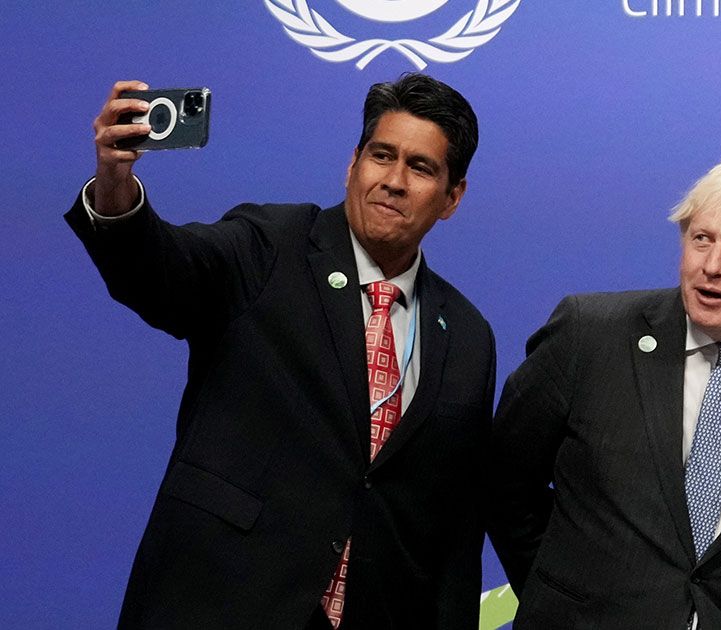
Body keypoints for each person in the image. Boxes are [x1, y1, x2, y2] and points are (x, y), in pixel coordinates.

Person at [65, 74, 495, 629]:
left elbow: (455, 532)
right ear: (352, 164)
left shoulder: (466, 336)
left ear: (452, 197)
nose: (392, 181)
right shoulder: (270, 245)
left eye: (420, 167)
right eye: (380, 155)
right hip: (221, 604)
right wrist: (115, 187)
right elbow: (162, 272)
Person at [487, 155, 721, 629]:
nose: (711, 266)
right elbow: (503, 483)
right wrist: (566, 599)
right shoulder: (589, 336)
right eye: (701, 239)